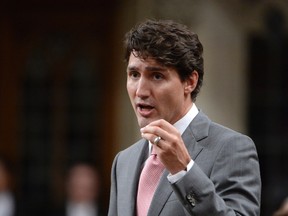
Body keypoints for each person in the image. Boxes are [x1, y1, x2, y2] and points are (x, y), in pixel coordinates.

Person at [108, 19, 261, 216]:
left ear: (190, 81)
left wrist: (184, 172)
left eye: (156, 76)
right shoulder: (124, 161)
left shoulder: (232, 148)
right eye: (134, 74)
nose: (141, 91)